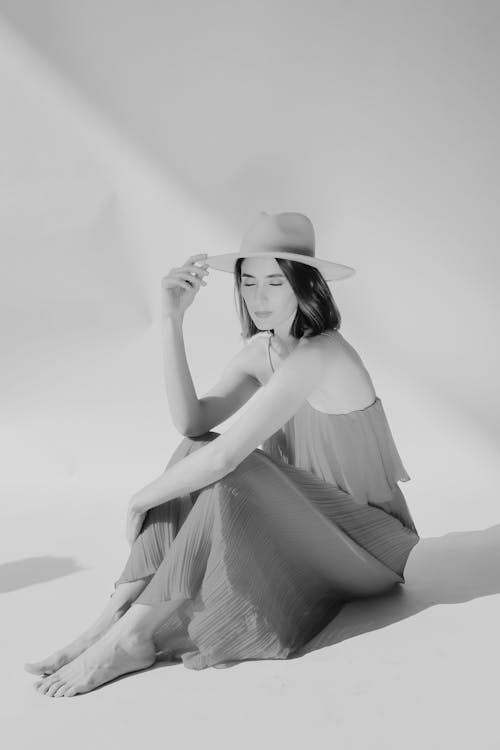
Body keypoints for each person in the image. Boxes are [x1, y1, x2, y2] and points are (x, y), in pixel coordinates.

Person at [25, 211, 420, 697]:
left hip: (369, 548)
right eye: (248, 281)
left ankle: (132, 637)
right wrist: (171, 319)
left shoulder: (322, 355)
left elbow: (226, 460)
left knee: (230, 469)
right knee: (197, 447)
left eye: (275, 281)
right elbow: (193, 424)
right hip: (309, 531)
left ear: (305, 286)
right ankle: (111, 617)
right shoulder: (264, 352)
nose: (259, 297)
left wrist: (139, 498)